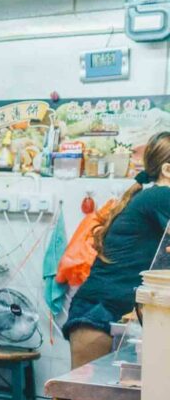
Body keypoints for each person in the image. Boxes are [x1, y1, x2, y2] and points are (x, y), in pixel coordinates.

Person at [63, 132, 170, 368]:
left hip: (110, 310)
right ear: (167, 170)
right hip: (99, 313)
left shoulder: (148, 197)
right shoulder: (161, 196)